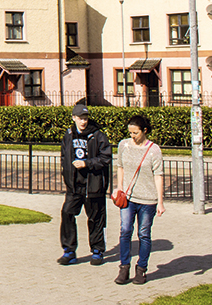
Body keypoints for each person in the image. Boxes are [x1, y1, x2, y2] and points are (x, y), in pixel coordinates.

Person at [58, 103, 112, 266]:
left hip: (93, 186)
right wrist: (67, 175)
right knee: (67, 213)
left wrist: (87, 163)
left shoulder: (98, 136)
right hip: (74, 186)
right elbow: (63, 156)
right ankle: (69, 251)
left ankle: (97, 251)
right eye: (81, 118)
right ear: (74, 118)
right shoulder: (68, 135)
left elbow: (106, 158)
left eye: (86, 118)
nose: (83, 121)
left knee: (95, 218)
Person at [113, 114, 164, 286]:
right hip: (128, 198)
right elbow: (120, 166)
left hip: (148, 200)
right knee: (125, 231)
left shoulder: (154, 150)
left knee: (143, 234)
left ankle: (141, 269)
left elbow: (158, 176)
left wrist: (161, 202)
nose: (132, 136)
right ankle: (124, 267)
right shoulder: (124, 145)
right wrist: (119, 188)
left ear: (145, 131)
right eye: (130, 132)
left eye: (135, 133)